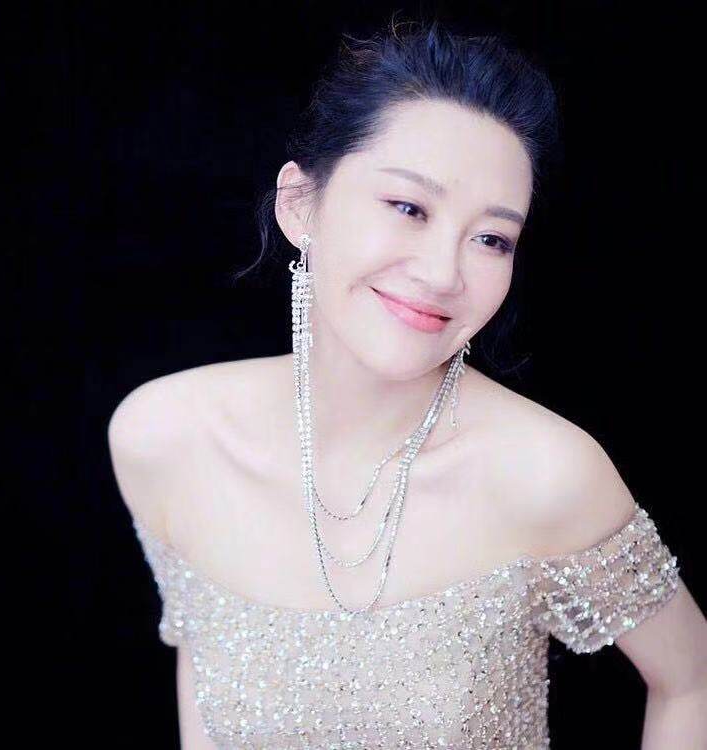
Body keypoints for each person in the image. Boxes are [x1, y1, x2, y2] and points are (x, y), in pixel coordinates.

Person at [108, 14, 706, 749]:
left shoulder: (546, 474)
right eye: (408, 208)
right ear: (300, 205)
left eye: (491, 238)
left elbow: (692, 679)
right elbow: (203, 679)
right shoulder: (164, 438)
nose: (443, 272)